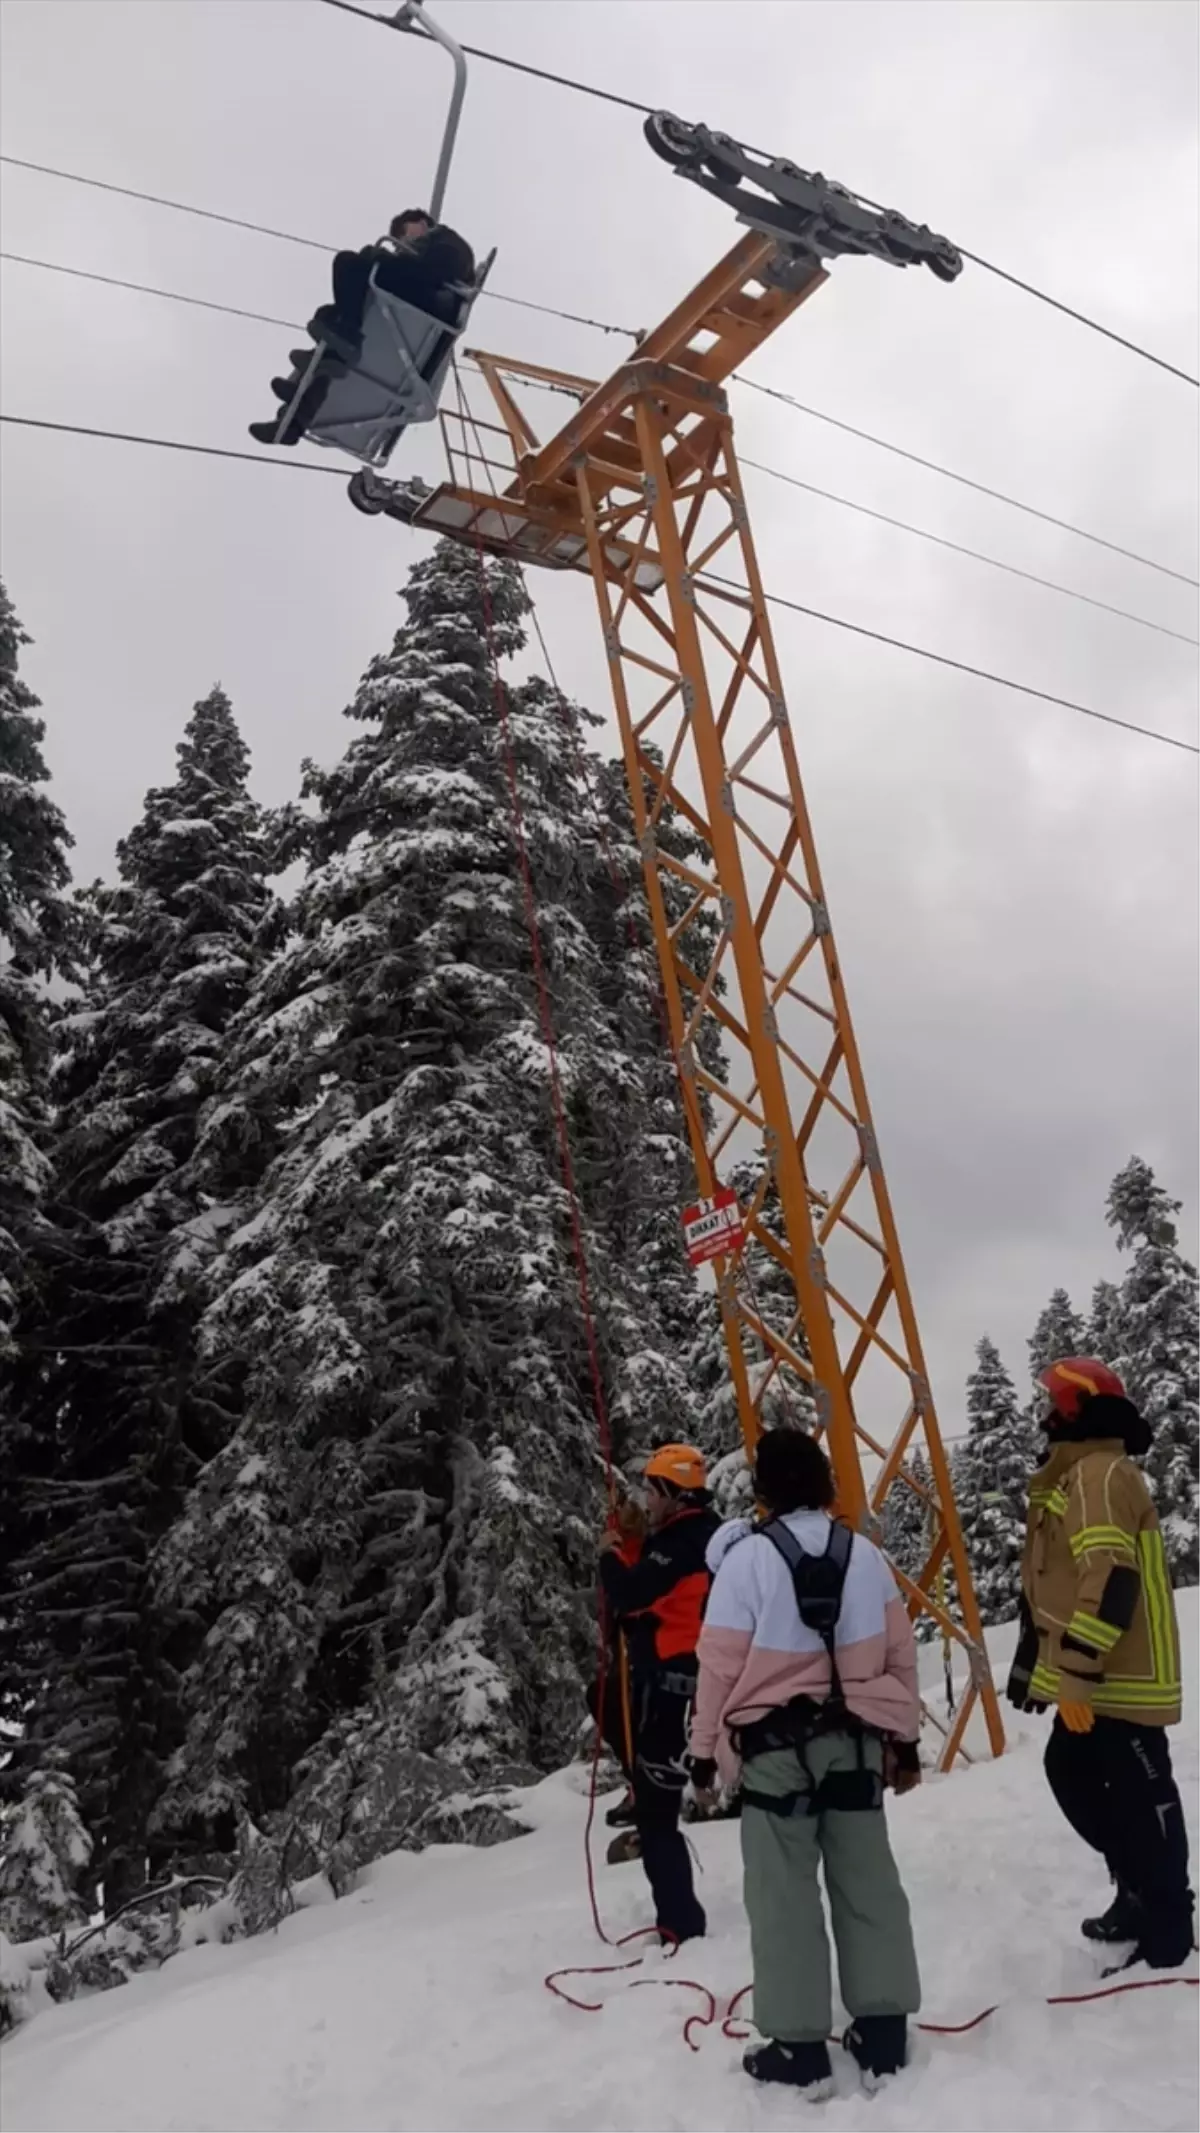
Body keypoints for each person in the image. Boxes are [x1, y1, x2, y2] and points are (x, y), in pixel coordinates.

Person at [690, 1428, 922, 2098]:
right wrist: (904, 1741)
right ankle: (883, 2035)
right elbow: (900, 1654)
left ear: (764, 1490)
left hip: (773, 1753)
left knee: (782, 1895)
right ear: (823, 1481)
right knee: (868, 1882)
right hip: (855, 1741)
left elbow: (717, 1671)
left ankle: (798, 2047)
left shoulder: (746, 1562)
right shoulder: (866, 1557)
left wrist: (703, 1753)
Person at [1007, 1357, 1192, 1971]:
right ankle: (1138, 1890)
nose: (1044, 1416)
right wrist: (1038, 1669)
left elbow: (1109, 1578)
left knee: (1143, 1796)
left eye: (1053, 1405)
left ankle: (1169, 1924)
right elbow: (1054, 1587)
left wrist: (1078, 1676)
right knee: (1072, 1771)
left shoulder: (1097, 1474)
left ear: (1076, 1411)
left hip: (1122, 1677)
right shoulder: (1075, 1476)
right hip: (1100, 1674)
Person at [597, 1444, 720, 1944]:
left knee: (657, 1816)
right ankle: (677, 1917)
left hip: (670, 1690)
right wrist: (630, 1548)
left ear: (674, 1492)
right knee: (601, 1698)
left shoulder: (682, 1543)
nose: (646, 1499)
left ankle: (681, 1925)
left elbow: (631, 1593)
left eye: (652, 1490)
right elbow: (651, 1589)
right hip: (680, 1683)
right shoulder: (696, 1535)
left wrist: (608, 1555)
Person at [248, 210, 475, 446]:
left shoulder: (448, 242)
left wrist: (379, 259)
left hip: (429, 303)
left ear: (421, 223)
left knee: (348, 263)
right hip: (417, 303)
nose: (402, 241)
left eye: (403, 232)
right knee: (330, 327)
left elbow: (431, 272)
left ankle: (345, 336)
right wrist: (384, 259)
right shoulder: (429, 248)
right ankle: (293, 420)